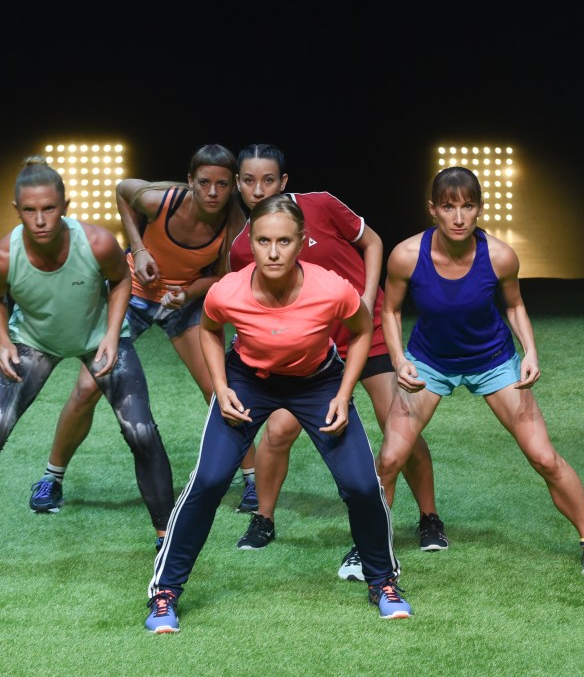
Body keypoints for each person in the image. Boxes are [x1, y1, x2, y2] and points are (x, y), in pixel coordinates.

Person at [145, 195, 408, 634]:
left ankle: (384, 583)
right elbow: (210, 330)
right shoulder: (228, 290)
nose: (272, 251)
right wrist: (222, 386)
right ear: (251, 239)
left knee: (363, 485)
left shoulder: (332, 288)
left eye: (283, 241)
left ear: (301, 242)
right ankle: (165, 592)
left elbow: (362, 331)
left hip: (319, 382)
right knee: (209, 481)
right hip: (249, 381)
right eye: (263, 240)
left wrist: (344, 393)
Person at [374, 166, 584, 576]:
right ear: (433, 209)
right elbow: (390, 310)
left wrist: (530, 351)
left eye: (468, 206)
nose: (459, 217)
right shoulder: (406, 256)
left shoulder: (500, 255)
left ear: (479, 208)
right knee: (391, 457)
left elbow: (515, 305)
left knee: (543, 457)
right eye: (449, 207)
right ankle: (372, 550)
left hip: (493, 362)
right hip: (430, 363)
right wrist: (399, 360)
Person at [227, 145, 444, 572]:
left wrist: (366, 297)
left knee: (398, 424)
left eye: (268, 180)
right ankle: (263, 519)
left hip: (369, 332)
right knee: (277, 432)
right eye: (249, 181)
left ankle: (429, 517)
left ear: (283, 183)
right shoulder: (241, 247)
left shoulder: (321, 206)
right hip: (310, 350)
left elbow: (374, 241)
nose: (258, 189)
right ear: (238, 184)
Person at [30, 145, 250, 516]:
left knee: (219, 390)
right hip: (131, 295)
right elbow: (121, 188)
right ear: (190, 181)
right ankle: (51, 479)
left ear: (232, 187)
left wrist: (189, 291)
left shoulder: (233, 223)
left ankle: (253, 481)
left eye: (223, 184)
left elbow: (226, 275)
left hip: (185, 303)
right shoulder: (160, 200)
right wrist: (139, 248)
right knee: (87, 387)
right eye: (205, 183)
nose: (213, 192)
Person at [0, 158, 173, 545]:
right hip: (34, 342)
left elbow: (121, 280)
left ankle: (167, 533)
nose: (40, 219)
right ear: (17, 210)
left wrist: (113, 334)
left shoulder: (96, 242)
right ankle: (53, 479)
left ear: (65, 205)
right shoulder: (5, 256)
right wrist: (3, 340)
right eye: (30, 210)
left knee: (141, 432)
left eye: (49, 208)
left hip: (99, 339)